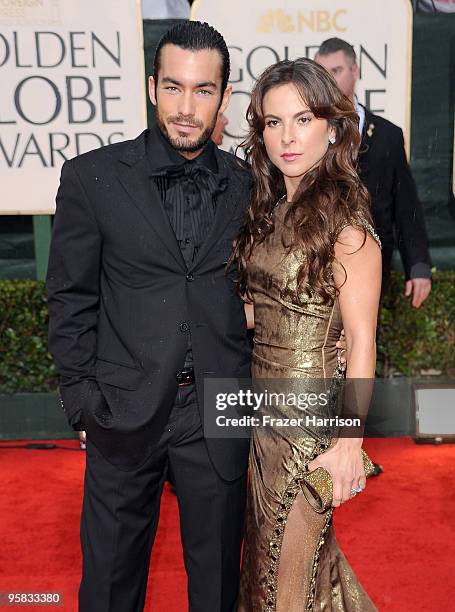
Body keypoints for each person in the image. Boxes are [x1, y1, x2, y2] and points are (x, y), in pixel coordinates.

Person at [46, 21, 252, 612]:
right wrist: (81, 401)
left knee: (217, 589)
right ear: (151, 86)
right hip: (122, 410)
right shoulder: (93, 178)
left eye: (203, 90)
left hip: (219, 413)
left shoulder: (248, 186)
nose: (187, 108)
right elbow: (70, 295)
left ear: (224, 98)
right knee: (110, 587)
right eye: (174, 87)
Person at [233, 58, 381, 610]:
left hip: (310, 427)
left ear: (333, 127)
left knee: (284, 585)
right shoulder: (268, 209)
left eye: (302, 118)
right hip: (259, 416)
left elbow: (363, 339)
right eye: (273, 123)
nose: (288, 137)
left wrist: (349, 443)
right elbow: (259, 314)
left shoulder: (347, 222)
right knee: (280, 576)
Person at [316, 38, 432, 306]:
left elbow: (405, 203)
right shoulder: (308, 131)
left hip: (374, 261)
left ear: (354, 71)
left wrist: (418, 265)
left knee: (365, 340)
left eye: (336, 71)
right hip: (318, 263)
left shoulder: (388, 135)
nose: (330, 80)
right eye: (323, 73)